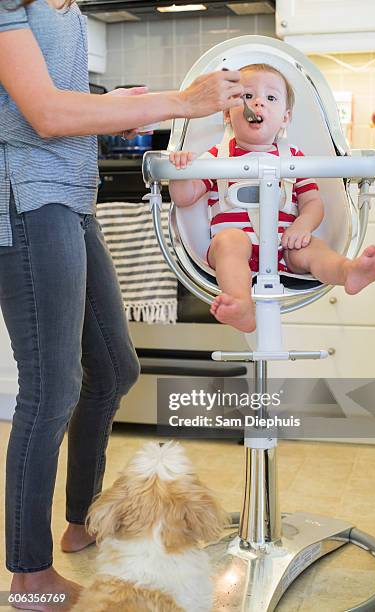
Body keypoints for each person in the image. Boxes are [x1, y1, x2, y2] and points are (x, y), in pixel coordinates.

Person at [0, 0, 244, 608]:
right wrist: (181, 101)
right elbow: (48, 114)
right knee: (52, 387)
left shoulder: (65, 8)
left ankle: (82, 521)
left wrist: (122, 104)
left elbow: (55, 104)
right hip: (28, 200)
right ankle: (29, 575)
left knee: (112, 369)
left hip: (71, 198)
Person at [169, 63, 375, 333]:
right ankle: (242, 305)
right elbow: (185, 197)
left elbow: (313, 203)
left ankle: (347, 272)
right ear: (227, 113)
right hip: (236, 246)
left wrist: (302, 226)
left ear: (285, 118)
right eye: (247, 96)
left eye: (270, 98)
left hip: (286, 246)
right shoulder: (217, 156)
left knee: (313, 249)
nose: (258, 102)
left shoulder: (294, 157)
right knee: (229, 242)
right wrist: (179, 172)